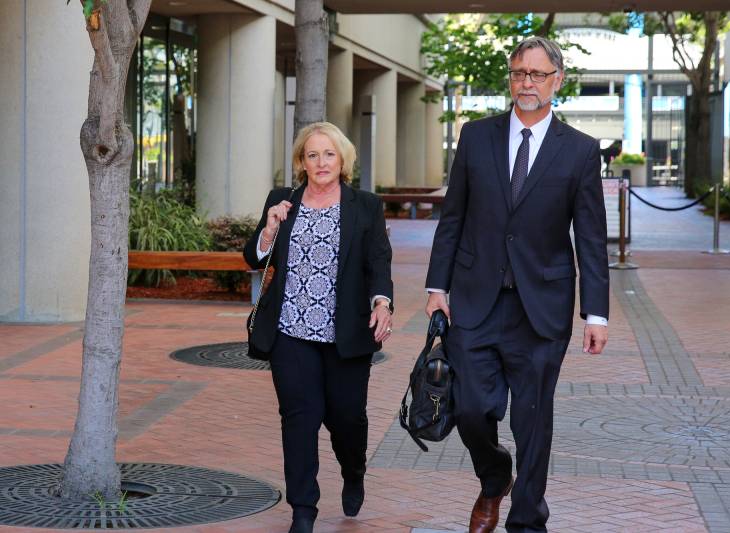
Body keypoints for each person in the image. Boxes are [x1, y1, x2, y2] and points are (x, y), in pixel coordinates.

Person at [425, 37, 609, 533]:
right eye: (518, 73)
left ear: (558, 81)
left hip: (542, 310)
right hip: (476, 301)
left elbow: (590, 237)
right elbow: (453, 217)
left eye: (537, 74)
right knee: (470, 409)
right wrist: (436, 286)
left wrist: (596, 313)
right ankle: (493, 477)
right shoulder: (476, 137)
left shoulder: (580, 151)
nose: (526, 83)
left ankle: (527, 520)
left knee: (532, 423)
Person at [243, 122, 393, 533]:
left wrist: (383, 302)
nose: (321, 162)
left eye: (329, 154)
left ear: (342, 159)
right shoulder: (282, 201)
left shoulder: (365, 206)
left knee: (347, 418)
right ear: (301, 162)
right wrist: (270, 228)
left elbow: (378, 262)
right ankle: (303, 510)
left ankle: (353, 469)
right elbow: (253, 258)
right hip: (291, 331)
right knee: (299, 418)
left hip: (344, 334)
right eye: (312, 155)